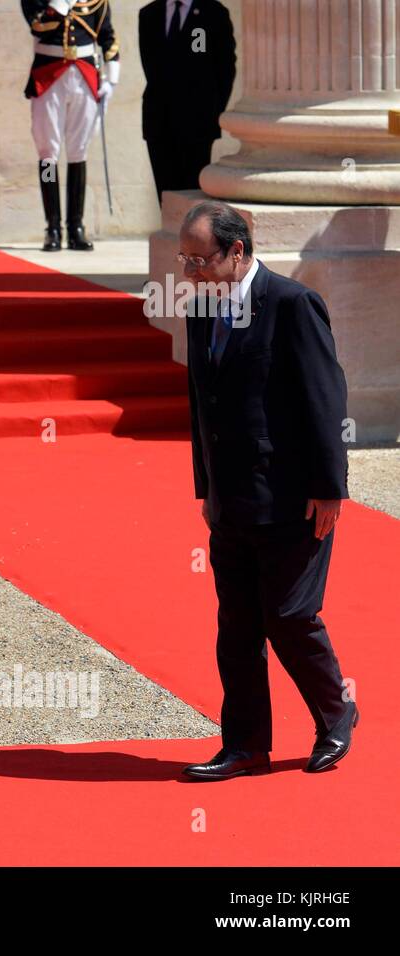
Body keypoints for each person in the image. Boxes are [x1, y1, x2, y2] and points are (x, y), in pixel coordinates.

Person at [180, 200, 358, 780]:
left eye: (199, 260)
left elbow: (322, 398)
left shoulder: (291, 304)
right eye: (184, 261)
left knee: (290, 615)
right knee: (236, 627)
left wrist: (329, 488)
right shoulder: (203, 312)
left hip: (291, 497)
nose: (190, 273)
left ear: (237, 251)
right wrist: (206, 487)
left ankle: (336, 714)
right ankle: (246, 745)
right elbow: (199, 406)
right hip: (232, 502)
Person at [21, 0, 120, 251]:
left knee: (78, 151)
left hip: (84, 74)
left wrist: (112, 78)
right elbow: (37, 26)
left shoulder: (96, 1)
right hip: (49, 75)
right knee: (47, 152)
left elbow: (107, 37)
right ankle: (52, 227)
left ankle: (76, 226)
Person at [138, 0, 236, 203]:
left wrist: (212, 111)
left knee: (192, 194)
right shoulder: (149, 14)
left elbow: (225, 68)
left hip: (197, 121)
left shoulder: (212, 13)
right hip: (159, 120)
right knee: (166, 195)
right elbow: (152, 69)